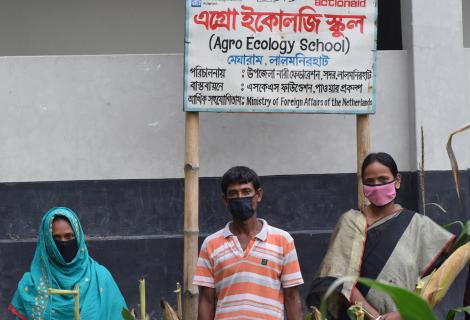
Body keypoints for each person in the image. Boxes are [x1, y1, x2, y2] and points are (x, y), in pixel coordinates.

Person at [306, 152, 456, 320]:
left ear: (397, 180)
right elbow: (341, 279)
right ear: (363, 185)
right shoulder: (351, 221)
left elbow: (437, 279)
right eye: (369, 182)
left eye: (383, 179)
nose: (376, 186)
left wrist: (404, 314)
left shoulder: (418, 225)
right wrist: (376, 317)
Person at [194, 166, 304, 320]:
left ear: (258, 195)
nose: (240, 198)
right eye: (233, 193)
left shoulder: (283, 240)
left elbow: (292, 297)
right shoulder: (211, 244)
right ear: (225, 200)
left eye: (246, 192)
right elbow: (206, 300)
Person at [8, 207, 126, 320]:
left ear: (79, 237)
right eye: (56, 238)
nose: (63, 242)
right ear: (48, 242)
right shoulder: (31, 285)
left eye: (69, 236)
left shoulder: (101, 278)